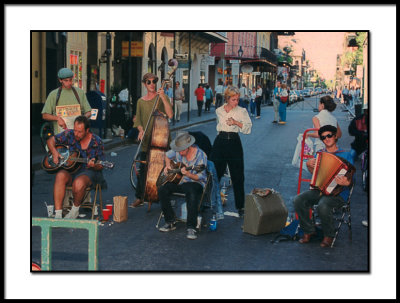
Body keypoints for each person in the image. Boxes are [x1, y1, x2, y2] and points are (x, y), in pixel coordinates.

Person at [294, 125, 354, 248]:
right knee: (298, 199)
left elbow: (352, 179)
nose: (326, 139)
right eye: (323, 137)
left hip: (339, 193)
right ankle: (309, 230)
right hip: (320, 190)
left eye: (329, 135)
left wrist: (347, 182)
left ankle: (329, 235)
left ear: (335, 136)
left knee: (323, 204)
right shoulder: (320, 155)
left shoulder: (346, 155)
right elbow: (315, 175)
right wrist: (310, 166)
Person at [46, 115, 105, 219]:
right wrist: (55, 153)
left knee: (79, 182)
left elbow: (100, 166)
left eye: (80, 132)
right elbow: (51, 140)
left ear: (87, 130)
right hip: (72, 169)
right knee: (60, 175)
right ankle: (58, 213)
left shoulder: (97, 141)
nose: (76, 134)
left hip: (89, 172)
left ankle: (74, 211)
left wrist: (95, 165)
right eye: (75, 130)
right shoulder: (70, 134)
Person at [130, 73, 174, 208]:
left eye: (154, 81)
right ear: (144, 84)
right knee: (144, 169)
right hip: (147, 139)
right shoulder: (140, 101)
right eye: (148, 82)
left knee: (164, 171)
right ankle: (140, 196)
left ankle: (165, 198)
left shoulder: (161, 97)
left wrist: (163, 98)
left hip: (161, 139)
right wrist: (140, 129)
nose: (152, 84)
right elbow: (138, 120)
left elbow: (170, 114)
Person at [210, 86, 252, 217]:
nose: (236, 102)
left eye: (237, 99)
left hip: (234, 142)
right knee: (214, 173)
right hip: (220, 141)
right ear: (227, 99)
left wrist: (236, 122)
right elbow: (218, 127)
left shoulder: (242, 111)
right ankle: (212, 201)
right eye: (233, 99)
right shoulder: (219, 111)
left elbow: (248, 129)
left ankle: (240, 206)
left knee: (238, 175)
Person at [158, 132, 208, 240]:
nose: (179, 153)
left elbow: (200, 177)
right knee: (162, 189)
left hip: (196, 183)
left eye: (182, 150)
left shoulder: (201, 155)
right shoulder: (178, 151)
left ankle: (191, 226)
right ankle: (170, 221)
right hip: (180, 181)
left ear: (189, 147)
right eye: (178, 150)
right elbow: (166, 155)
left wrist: (188, 174)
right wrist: (167, 166)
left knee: (191, 190)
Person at [42, 67, 92, 135]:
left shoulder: (80, 93)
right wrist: (58, 118)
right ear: (60, 80)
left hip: (78, 135)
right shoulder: (53, 94)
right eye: (66, 80)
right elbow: (45, 115)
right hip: (60, 135)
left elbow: (89, 112)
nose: (69, 83)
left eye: (71, 80)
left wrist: (81, 120)